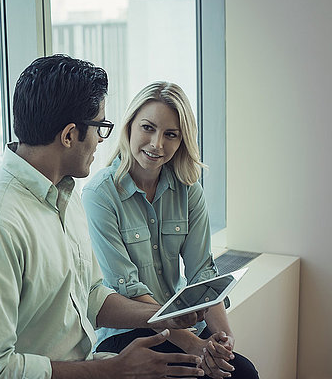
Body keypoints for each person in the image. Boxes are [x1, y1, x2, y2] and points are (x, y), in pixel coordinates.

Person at [0, 56, 206, 378]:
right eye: (100, 127)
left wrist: (160, 316)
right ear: (69, 135)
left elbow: (92, 295)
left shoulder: (66, 198)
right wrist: (113, 370)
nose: (101, 140)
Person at [81, 81, 259, 378]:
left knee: (242, 372)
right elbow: (128, 289)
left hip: (186, 329)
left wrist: (223, 341)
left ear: (181, 140)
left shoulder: (188, 191)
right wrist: (193, 345)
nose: (156, 144)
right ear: (129, 127)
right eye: (148, 128)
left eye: (170, 135)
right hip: (128, 335)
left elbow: (203, 272)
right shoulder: (99, 195)